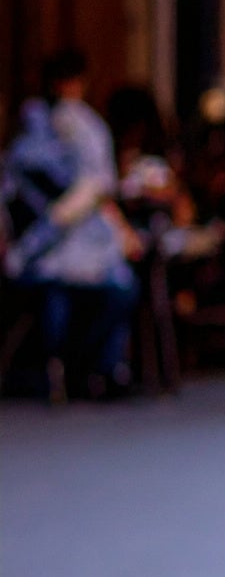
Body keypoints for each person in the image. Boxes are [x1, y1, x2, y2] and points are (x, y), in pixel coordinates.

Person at [3, 48, 138, 400]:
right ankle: (63, 370)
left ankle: (92, 368)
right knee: (59, 293)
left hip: (81, 241)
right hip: (44, 246)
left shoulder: (83, 126)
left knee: (118, 292)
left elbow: (96, 187)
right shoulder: (37, 127)